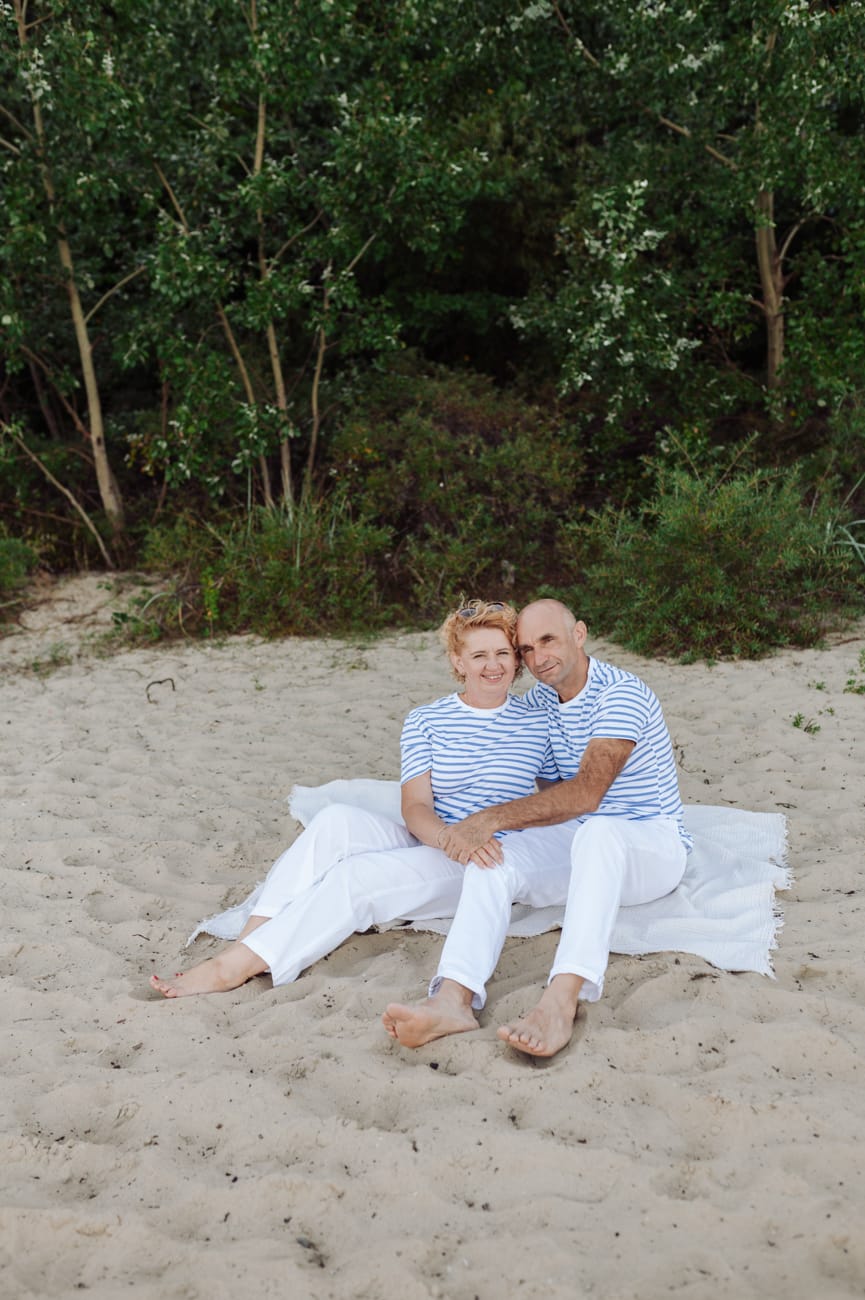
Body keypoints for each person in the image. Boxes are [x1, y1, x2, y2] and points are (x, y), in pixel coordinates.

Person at [149, 599, 551, 999]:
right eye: (479, 654)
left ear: (516, 661)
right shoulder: (427, 720)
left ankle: (235, 966)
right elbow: (414, 807)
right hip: (437, 837)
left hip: (485, 861)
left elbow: (556, 800)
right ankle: (250, 937)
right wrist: (449, 837)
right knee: (335, 819)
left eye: (502, 653)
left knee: (354, 878)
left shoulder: (537, 721)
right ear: (458, 661)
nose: (493, 665)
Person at [383, 598, 690, 1059]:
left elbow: (586, 795)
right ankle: (453, 998)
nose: (537, 657)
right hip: (579, 838)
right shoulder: (543, 699)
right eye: (525, 648)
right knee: (495, 857)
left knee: (596, 832)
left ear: (579, 634)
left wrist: (487, 818)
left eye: (548, 640)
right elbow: (537, 776)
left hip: (651, 846)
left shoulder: (620, 694)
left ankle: (560, 1000)